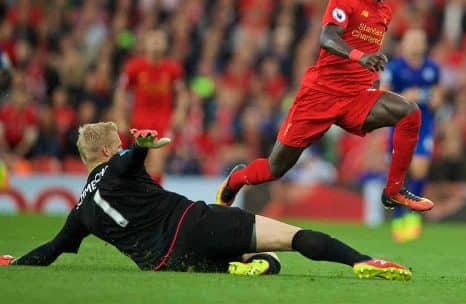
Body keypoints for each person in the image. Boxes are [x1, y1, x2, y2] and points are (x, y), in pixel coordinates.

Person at [0, 122, 412, 281]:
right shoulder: (119, 165)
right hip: (194, 224)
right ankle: (362, 261)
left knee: (264, 260)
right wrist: (141, 147)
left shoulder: (80, 212)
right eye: (119, 144)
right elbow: (128, 162)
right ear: (108, 150)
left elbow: (51, 251)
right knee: (291, 237)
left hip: (168, 263)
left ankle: (249, 264)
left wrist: (13, 262)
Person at [216, 0, 433, 212]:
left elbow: (363, 47)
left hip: (356, 97)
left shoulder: (385, 12)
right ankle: (238, 177)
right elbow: (327, 38)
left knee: (409, 113)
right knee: (276, 168)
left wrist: (370, 71)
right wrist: (361, 57)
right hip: (320, 95)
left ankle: (394, 190)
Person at [381, 29, 442, 242]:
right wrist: (405, 97)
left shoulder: (432, 68)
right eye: (412, 40)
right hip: (398, 126)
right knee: (401, 171)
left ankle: (414, 216)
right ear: (404, 45)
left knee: (420, 167)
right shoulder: (394, 68)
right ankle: (399, 217)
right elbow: (384, 96)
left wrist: (428, 97)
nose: (416, 44)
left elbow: (438, 97)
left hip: (424, 125)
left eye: (420, 40)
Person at [114, 29, 187, 184]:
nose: (156, 43)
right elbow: (121, 91)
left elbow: (182, 93)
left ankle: (153, 196)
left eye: (159, 40)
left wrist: (180, 111)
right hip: (139, 119)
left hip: (163, 120)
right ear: (146, 44)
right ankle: (143, 194)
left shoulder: (173, 69)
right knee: (143, 161)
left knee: (158, 159)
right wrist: (120, 116)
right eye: (153, 39)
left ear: (165, 45)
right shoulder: (134, 67)